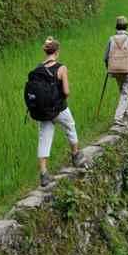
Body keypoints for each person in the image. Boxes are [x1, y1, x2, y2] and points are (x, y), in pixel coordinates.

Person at [37, 37, 83, 187]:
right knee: (70, 128)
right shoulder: (61, 68)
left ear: (46, 51)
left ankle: (44, 174)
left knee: (44, 139)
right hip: (59, 108)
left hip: (43, 111)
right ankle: (75, 155)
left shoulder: (38, 68)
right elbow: (66, 91)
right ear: (57, 52)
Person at [103, 16, 128, 128]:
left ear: (116, 26)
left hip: (115, 71)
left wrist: (108, 67)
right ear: (126, 26)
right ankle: (118, 117)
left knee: (124, 92)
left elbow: (106, 57)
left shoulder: (111, 39)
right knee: (125, 94)